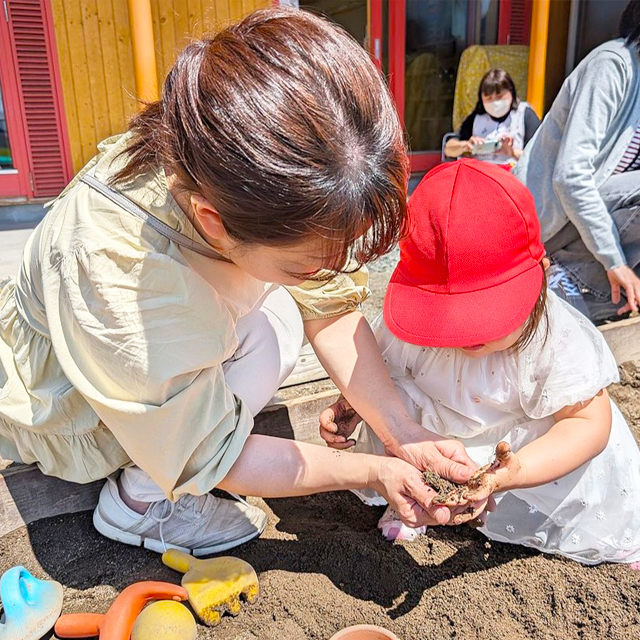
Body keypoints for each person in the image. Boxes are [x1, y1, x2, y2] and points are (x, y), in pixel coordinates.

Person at [0, 8, 477, 557]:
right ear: (212, 223)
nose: (330, 273)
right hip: (71, 404)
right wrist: (372, 470)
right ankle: (140, 503)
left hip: (153, 345)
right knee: (252, 351)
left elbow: (328, 307)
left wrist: (401, 432)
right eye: (308, 264)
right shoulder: (120, 275)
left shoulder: (225, 160)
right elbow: (208, 450)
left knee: (279, 323)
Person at [320, 160, 640, 567]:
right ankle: (418, 500)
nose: (463, 336)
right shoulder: (408, 335)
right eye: (444, 316)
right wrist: (353, 405)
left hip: (527, 459)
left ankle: (613, 534)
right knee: (396, 398)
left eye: (482, 317)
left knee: (588, 467)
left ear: (539, 278)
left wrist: (512, 473)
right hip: (441, 443)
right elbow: (384, 372)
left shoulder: (553, 338)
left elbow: (588, 426)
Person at [514, 0, 640, 324]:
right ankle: (561, 279)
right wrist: (614, 260)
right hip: (539, 227)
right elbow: (570, 175)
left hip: (579, 229)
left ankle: (575, 290)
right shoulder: (614, 66)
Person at [444, 68, 540, 165]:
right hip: (482, 173)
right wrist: (466, 145)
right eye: (489, 98)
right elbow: (448, 149)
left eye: (499, 97)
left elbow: (539, 157)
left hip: (513, 174)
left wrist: (512, 153)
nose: (495, 102)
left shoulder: (525, 114)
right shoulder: (476, 118)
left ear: (511, 93)